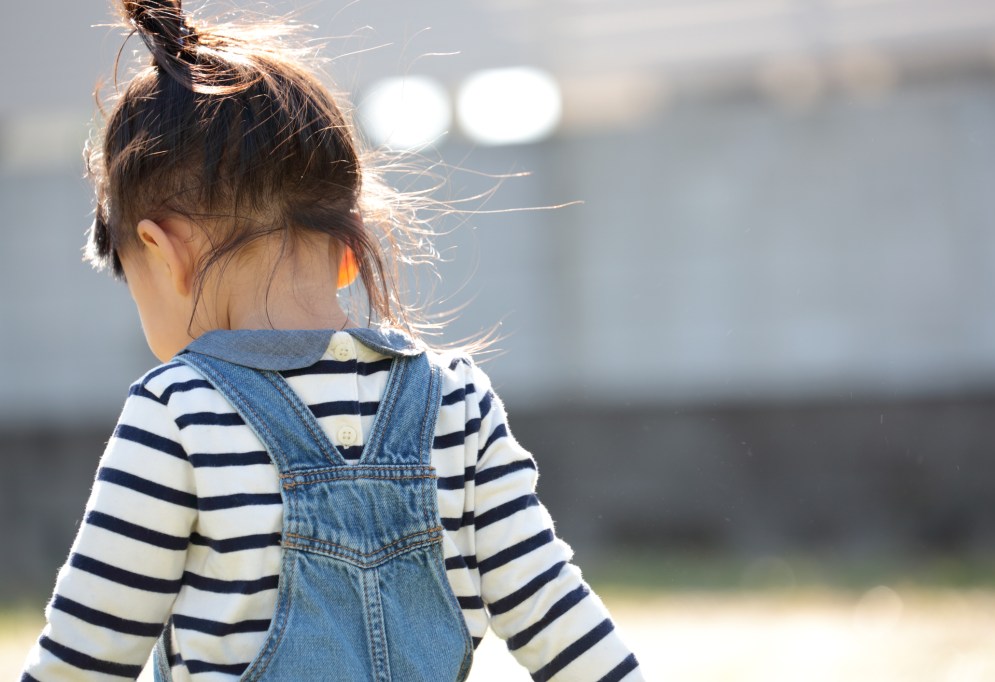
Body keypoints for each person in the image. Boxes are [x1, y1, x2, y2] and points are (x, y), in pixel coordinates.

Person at [19, 1, 643, 680]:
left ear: (162, 252)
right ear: (351, 252)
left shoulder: (177, 414)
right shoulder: (457, 403)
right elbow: (560, 618)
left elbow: (82, 659)